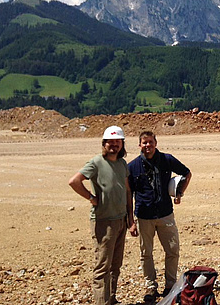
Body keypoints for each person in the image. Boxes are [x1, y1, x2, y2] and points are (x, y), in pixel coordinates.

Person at [68, 126, 136, 305]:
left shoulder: (122, 164)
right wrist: (91, 197)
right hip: (104, 222)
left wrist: (130, 220)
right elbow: (74, 181)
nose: (114, 145)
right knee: (102, 267)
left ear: (122, 144)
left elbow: (128, 191)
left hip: (121, 219)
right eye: (110, 142)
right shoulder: (96, 162)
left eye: (117, 141)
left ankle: (111, 299)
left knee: (115, 265)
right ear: (104, 143)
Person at [127, 131, 192, 303]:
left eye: (150, 142)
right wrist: (131, 222)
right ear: (139, 145)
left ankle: (170, 285)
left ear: (156, 143)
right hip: (143, 216)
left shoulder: (167, 159)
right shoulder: (132, 167)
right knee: (146, 253)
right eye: (144, 143)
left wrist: (179, 193)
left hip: (165, 213)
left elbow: (186, 173)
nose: (147, 145)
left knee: (172, 249)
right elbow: (128, 194)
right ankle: (151, 287)